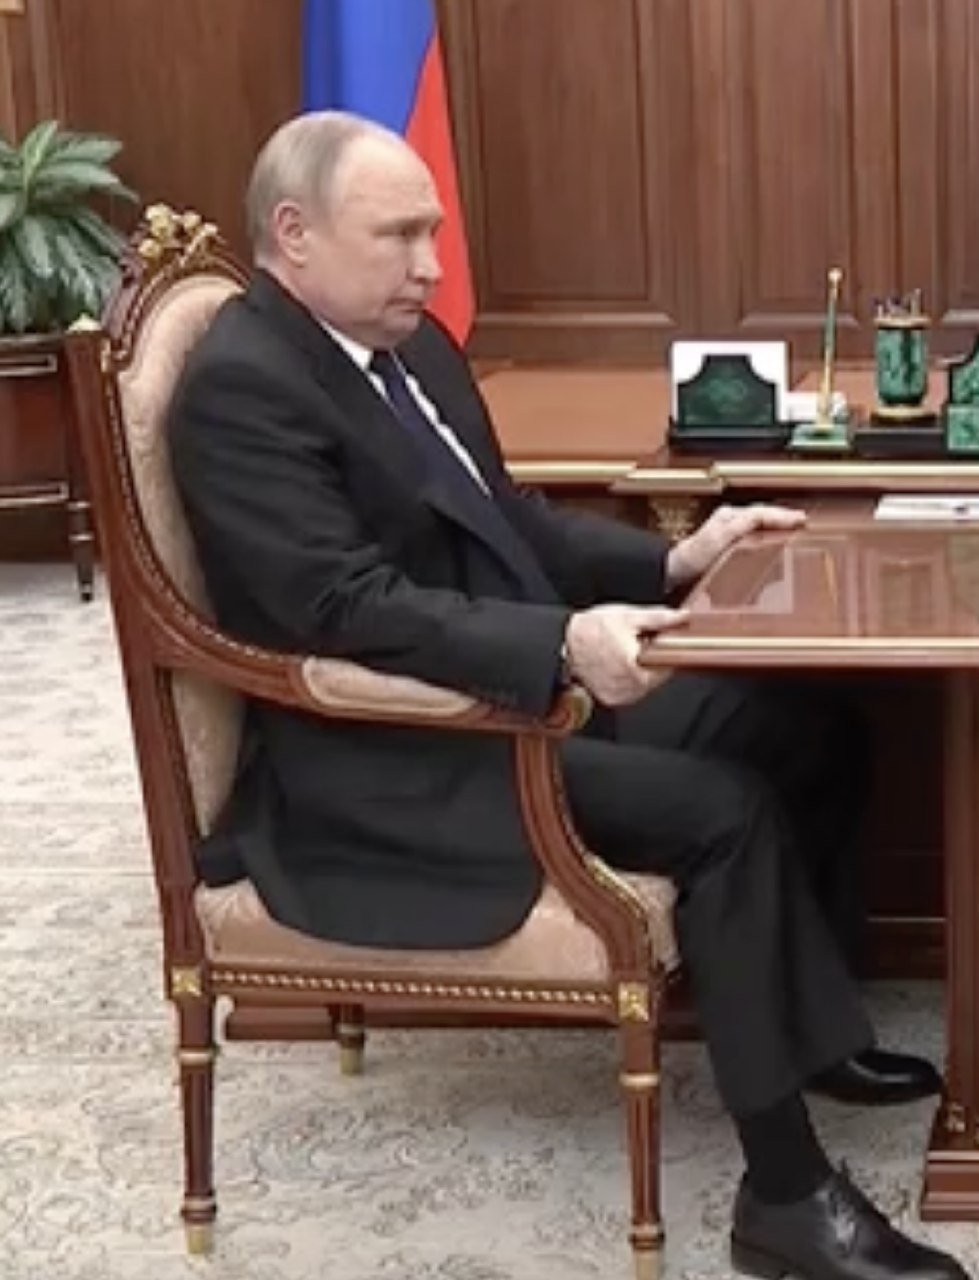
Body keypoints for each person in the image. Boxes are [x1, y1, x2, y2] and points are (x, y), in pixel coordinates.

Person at [168, 111, 967, 1280]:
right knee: (721, 810)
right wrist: (557, 644)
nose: (430, 265)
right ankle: (786, 1197)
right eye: (398, 236)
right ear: (293, 234)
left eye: (432, 234)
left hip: (500, 689)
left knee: (808, 726)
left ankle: (809, 1031)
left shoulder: (406, 347)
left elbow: (510, 520)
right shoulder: (244, 387)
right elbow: (342, 606)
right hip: (390, 750)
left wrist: (672, 561)